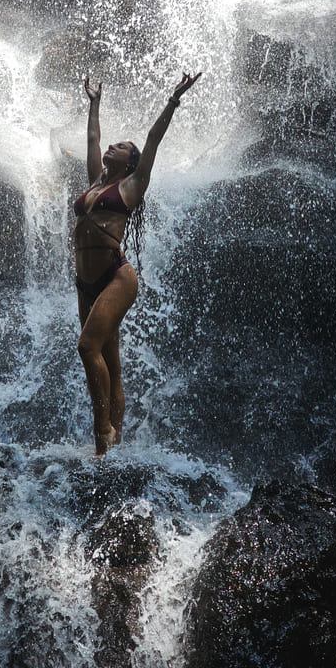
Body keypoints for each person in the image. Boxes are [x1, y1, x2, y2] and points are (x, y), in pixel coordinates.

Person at [74, 72, 201, 455]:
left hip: (116, 277)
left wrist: (173, 101)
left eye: (121, 147)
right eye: (114, 145)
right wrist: (94, 103)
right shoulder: (96, 182)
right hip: (86, 282)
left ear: (131, 164)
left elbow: (152, 139)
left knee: (87, 348)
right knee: (108, 361)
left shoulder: (129, 186)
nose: (112, 146)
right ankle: (117, 444)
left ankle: (103, 437)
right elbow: (94, 139)